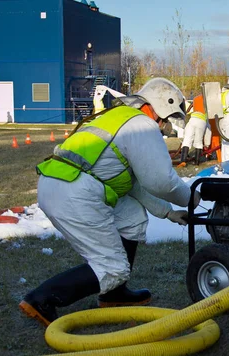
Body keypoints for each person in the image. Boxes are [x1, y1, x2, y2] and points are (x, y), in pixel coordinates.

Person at [19, 77, 201, 327]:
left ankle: (114, 294)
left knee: (133, 218)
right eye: (166, 121)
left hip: (65, 183)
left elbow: (133, 184)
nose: (164, 128)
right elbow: (161, 181)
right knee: (112, 268)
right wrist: (191, 198)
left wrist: (169, 213)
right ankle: (40, 299)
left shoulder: (118, 117)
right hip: (75, 192)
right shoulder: (142, 126)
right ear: (161, 108)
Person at [178, 94, 211, 167]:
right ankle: (197, 162)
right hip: (201, 121)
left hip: (192, 119)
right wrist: (207, 144)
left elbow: (191, 105)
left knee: (187, 140)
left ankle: (183, 161)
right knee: (198, 141)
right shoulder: (208, 99)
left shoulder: (196, 98)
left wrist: (186, 112)